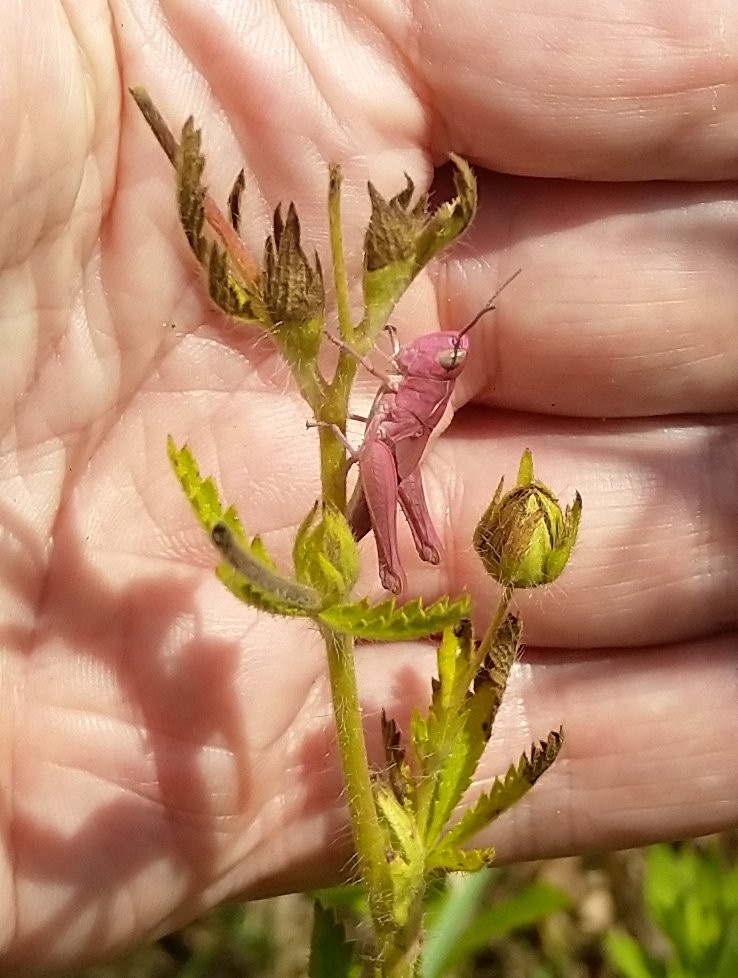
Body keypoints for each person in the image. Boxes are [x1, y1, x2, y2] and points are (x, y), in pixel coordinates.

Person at [2, 1, 736, 971]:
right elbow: (381, 372)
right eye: (448, 350)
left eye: (450, 355)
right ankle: (390, 558)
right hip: (378, 449)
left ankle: (395, 566)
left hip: (387, 460)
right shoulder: (410, 361)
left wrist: (359, 411)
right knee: (385, 473)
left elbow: (388, 407)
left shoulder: (421, 378)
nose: (444, 353)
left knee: (397, 496)